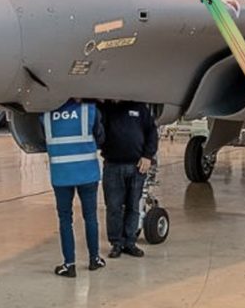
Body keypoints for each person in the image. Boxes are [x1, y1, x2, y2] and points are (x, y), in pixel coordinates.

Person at [42, 98, 106, 278]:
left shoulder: (46, 112)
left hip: (61, 175)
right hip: (87, 173)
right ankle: (94, 259)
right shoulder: (89, 109)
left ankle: (69, 265)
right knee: (91, 217)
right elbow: (101, 136)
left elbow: (41, 140)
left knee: (65, 220)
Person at [100, 100, 159, 258]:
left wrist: (148, 156)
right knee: (114, 207)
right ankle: (116, 243)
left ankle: (130, 242)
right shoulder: (106, 107)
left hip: (137, 166)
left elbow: (152, 132)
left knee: (133, 206)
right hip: (113, 166)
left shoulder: (139, 107)